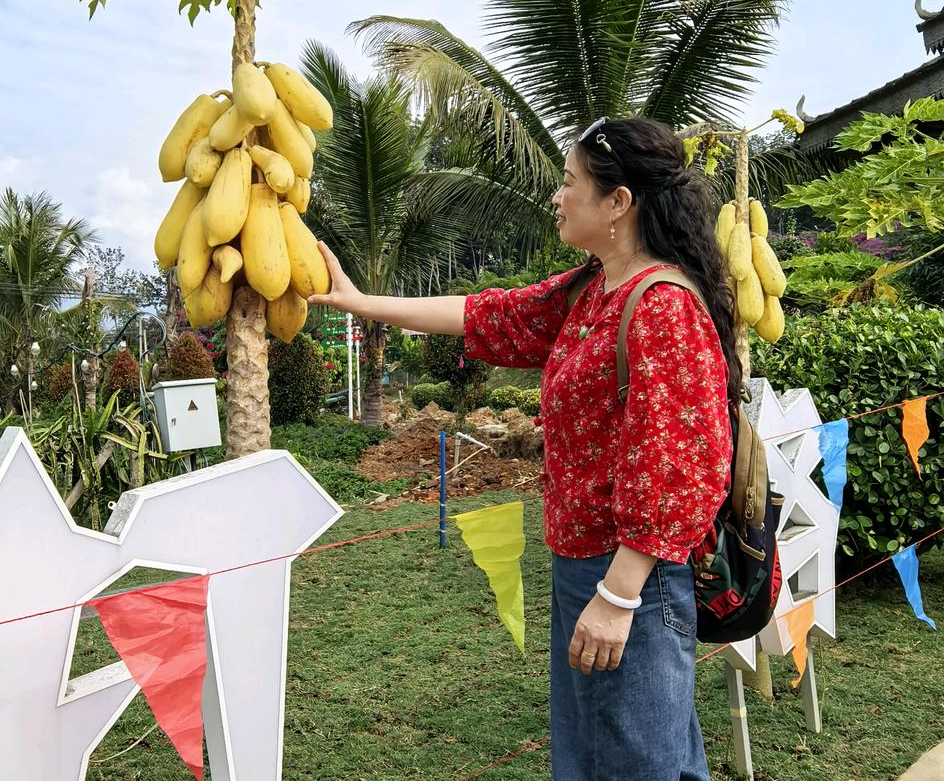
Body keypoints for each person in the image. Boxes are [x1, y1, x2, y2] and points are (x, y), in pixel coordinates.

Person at [308, 116, 737, 781]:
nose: (557, 198)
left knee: (630, 764)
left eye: (570, 184)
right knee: (623, 757)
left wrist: (619, 598)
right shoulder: (590, 291)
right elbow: (486, 315)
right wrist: (361, 303)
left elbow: (681, 466)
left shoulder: (661, 308)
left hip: (632, 579)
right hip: (585, 569)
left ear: (618, 203)